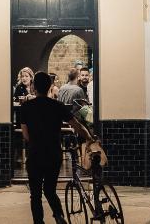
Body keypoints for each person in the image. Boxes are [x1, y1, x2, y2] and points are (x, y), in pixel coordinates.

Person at [20, 71, 94, 224]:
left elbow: (26, 136)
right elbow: (77, 125)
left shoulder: (26, 107)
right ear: (49, 87)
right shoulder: (57, 106)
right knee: (49, 190)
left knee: (35, 194)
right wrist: (89, 137)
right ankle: (59, 216)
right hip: (53, 154)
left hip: (35, 154)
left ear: (34, 87)